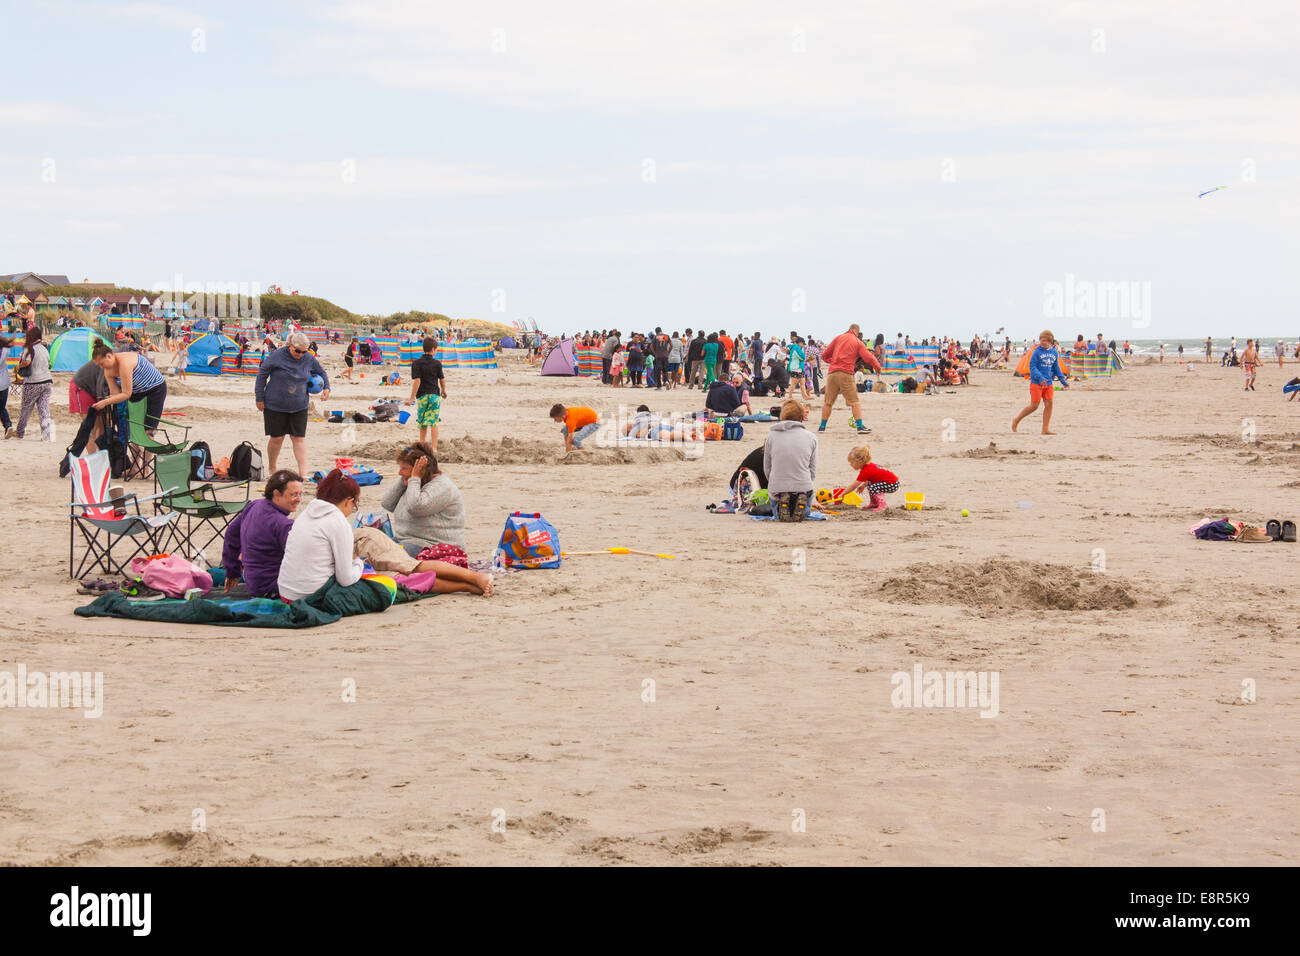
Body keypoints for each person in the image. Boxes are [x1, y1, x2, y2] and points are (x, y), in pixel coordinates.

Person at [255, 331, 330, 477]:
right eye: (297, 351)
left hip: (299, 404)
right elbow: (262, 374)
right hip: (275, 404)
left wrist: (326, 387)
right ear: (290, 345)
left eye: (304, 352)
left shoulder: (308, 358)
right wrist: (259, 397)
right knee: (277, 438)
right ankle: (272, 469)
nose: (301, 354)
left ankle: (302, 473)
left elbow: (321, 372)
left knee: (298, 438)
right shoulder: (277, 356)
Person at [222, 470, 303, 597]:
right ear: (276, 493)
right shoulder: (283, 524)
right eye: (294, 495)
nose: (298, 500)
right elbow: (298, 561)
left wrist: (232, 570)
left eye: (300, 494)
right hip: (273, 587)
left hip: (253, 583)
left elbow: (232, 533)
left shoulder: (254, 505)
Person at [380, 443, 468, 554]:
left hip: (433, 545)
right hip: (407, 541)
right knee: (371, 552)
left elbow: (416, 507)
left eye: (404, 468)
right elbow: (388, 503)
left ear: (421, 470)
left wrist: (414, 477)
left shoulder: (443, 487)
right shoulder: (414, 484)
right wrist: (405, 478)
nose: (399, 472)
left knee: (385, 557)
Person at [818, 323, 881, 435]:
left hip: (832, 374)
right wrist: (877, 367)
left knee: (828, 403)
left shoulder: (838, 338)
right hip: (846, 373)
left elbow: (824, 355)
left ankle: (822, 427)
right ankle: (860, 426)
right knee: (854, 402)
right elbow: (868, 357)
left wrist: (833, 362)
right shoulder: (857, 342)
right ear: (857, 331)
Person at [765, 399, 818, 522]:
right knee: (806, 505)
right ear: (801, 418)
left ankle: (781, 502)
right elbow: (813, 469)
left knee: (775, 498)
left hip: (778, 485)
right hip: (803, 484)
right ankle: (801, 500)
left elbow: (767, 467)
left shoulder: (771, 436)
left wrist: (773, 482)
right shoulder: (811, 437)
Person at [1012, 330, 1070, 435]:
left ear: (1050, 342)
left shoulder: (1054, 353)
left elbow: (1056, 368)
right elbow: (1032, 367)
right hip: (1036, 383)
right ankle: (1016, 420)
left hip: (1048, 384)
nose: (1042, 342)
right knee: (1034, 406)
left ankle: (1045, 429)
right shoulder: (1037, 351)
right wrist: (1040, 378)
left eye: (1044, 341)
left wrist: (1063, 381)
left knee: (1049, 404)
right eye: (1041, 340)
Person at [407, 336, 446, 450]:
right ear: (433, 349)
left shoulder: (416, 363)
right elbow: (442, 380)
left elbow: (417, 381)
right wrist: (444, 391)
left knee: (422, 422)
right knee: (434, 422)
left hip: (422, 396)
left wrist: (411, 398)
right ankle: (434, 448)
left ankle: (422, 445)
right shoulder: (437, 363)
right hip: (434, 396)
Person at [69, 359, 111, 454]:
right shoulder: (111, 362)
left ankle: (100, 457)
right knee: (91, 427)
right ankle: (93, 459)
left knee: (101, 426)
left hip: (96, 390)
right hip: (83, 387)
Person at [844, 445, 899, 513]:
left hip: (892, 484)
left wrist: (843, 494)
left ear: (859, 462)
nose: (850, 465)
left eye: (852, 463)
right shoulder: (868, 467)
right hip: (890, 482)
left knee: (873, 487)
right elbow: (871, 478)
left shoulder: (866, 470)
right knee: (870, 484)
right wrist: (863, 485)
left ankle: (882, 505)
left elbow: (854, 485)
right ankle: (874, 503)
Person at [0, 335, 12, 438]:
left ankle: (8, 425)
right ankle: (8, 425)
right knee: (1, 407)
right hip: (4, 383)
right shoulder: (5, 351)